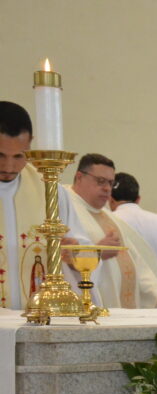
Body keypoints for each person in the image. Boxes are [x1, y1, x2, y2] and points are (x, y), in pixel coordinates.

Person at [0, 101, 91, 310]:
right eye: (0, 155)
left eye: (18, 156)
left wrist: (74, 254)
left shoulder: (49, 188)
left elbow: (83, 249)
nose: (9, 167)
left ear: (30, 144)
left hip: (37, 321)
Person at [68, 153, 157, 308]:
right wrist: (97, 253)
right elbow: (61, 259)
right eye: (100, 181)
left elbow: (136, 261)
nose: (107, 188)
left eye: (110, 183)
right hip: (86, 310)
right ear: (79, 177)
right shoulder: (66, 208)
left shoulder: (109, 216)